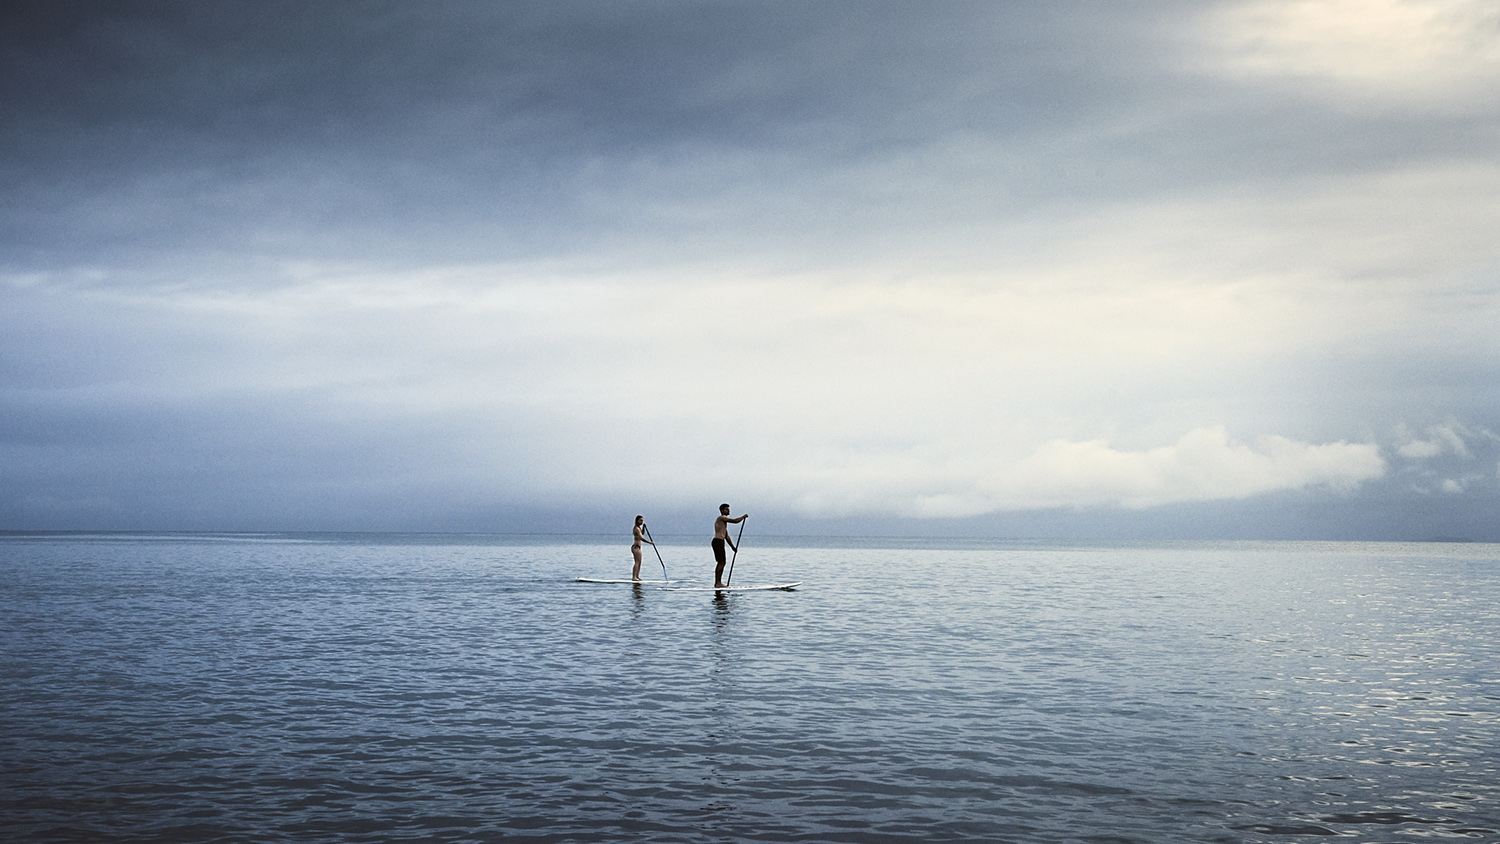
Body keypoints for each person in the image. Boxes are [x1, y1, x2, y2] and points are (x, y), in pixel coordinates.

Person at [712, 503, 748, 588]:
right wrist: (743, 516)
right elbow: (735, 521)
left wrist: (732, 547)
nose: (728, 511)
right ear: (722, 510)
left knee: (722, 562)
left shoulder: (724, 523)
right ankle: (718, 583)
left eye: (728, 509)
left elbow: (726, 536)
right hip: (717, 541)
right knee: (721, 562)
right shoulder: (721, 518)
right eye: (726, 509)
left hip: (720, 542)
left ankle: (718, 583)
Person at [631, 515, 656, 581]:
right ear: (637, 521)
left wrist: (643, 528)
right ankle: (634, 577)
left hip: (638, 548)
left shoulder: (639, 528)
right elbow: (641, 538)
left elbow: (642, 533)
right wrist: (650, 542)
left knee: (639, 562)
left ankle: (637, 576)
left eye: (642, 520)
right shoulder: (636, 528)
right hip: (636, 547)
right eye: (640, 520)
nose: (642, 522)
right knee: (637, 562)